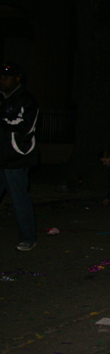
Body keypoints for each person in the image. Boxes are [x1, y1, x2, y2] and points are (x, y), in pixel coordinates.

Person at [0, 63, 40, 251]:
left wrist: (3, 122)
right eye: (1, 77)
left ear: (17, 79)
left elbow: (25, 126)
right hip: (1, 155)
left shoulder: (26, 99)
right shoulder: (2, 99)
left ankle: (28, 238)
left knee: (18, 198)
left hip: (16, 157)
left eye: (7, 77)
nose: (3, 80)